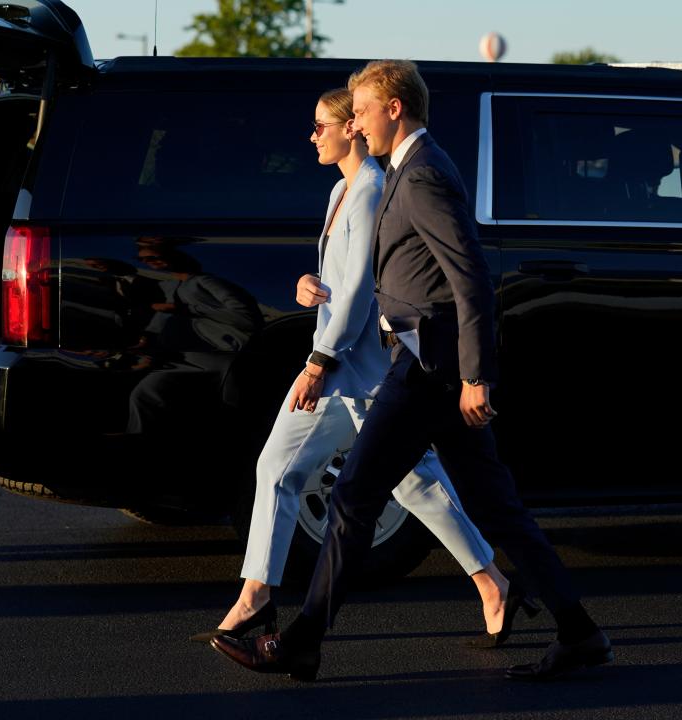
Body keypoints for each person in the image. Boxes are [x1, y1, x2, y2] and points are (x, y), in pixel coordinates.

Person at [211, 61, 612, 682]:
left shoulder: (420, 175)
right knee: (494, 506)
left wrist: (477, 375)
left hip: (429, 365)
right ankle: (579, 631)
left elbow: (470, 276)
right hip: (424, 359)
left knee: (353, 497)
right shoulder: (403, 170)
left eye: (363, 110)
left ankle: (302, 642)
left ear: (394, 108)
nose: (357, 121)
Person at [194, 88, 532, 650]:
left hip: (358, 366)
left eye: (321, 125)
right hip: (345, 362)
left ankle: (492, 581)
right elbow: (340, 278)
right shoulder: (338, 191)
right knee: (314, 473)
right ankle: (257, 597)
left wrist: (316, 361)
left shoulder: (374, 189)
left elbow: (358, 293)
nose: (313, 136)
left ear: (351, 128)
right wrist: (309, 284)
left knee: (401, 483)